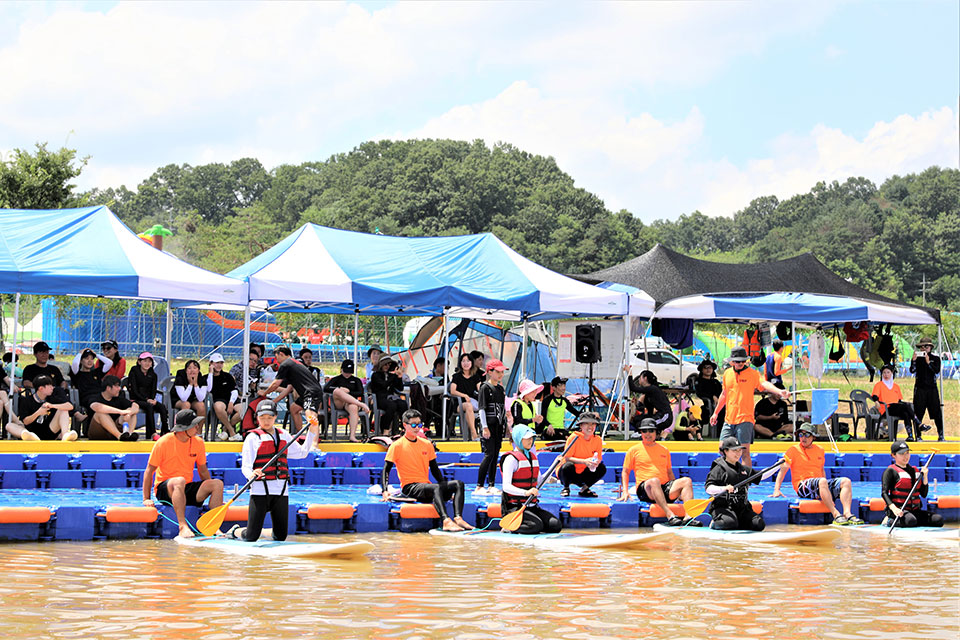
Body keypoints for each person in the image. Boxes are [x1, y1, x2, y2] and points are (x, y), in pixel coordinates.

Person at [238, 399, 319, 542]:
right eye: (262, 418)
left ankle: (266, 533)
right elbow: (246, 466)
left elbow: (302, 453)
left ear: (275, 417)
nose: (266, 421)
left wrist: (312, 431)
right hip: (260, 490)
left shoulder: (284, 435)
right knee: (251, 537)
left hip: (281, 490)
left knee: (281, 536)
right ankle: (236, 532)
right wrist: (251, 474)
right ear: (257, 418)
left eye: (270, 417)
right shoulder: (252, 438)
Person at [381, 409, 470, 532]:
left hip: (426, 487)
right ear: (405, 425)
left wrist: (445, 487)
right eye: (413, 425)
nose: (417, 428)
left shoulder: (427, 444)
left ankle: (458, 518)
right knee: (435, 488)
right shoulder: (397, 445)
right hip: (410, 487)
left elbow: (434, 469)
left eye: (419, 424)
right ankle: (446, 521)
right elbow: (386, 470)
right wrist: (384, 490)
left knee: (458, 484)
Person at [143, 409, 225, 538]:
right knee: (179, 481)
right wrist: (146, 498)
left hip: (184, 487)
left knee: (217, 484)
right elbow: (149, 471)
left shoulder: (198, 442)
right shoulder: (163, 442)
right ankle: (183, 526)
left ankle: (213, 526)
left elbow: (203, 470)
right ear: (184, 428)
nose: (198, 427)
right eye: (194, 425)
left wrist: (213, 495)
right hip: (165, 489)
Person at [772, 423, 864, 525]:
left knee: (846, 481)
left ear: (813, 437)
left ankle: (848, 513)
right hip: (802, 485)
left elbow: (821, 470)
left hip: (819, 484)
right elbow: (782, 471)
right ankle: (836, 514)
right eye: (801, 435)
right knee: (822, 481)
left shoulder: (819, 450)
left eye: (807, 435)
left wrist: (826, 491)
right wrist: (777, 490)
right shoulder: (793, 450)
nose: (803, 438)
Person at [616, 418, 701, 527]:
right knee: (654, 481)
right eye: (644, 431)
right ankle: (670, 515)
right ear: (641, 433)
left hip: (663, 487)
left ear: (656, 433)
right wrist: (625, 491)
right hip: (646, 489)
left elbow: (669, 472)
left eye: (651, 431)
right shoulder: (633, 450)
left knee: (686, 480)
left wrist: (678, 491)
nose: (648, 434)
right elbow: (625, 472)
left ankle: (688, 516)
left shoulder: (664, 450)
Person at [710, 346, 789, 460]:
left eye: (743, 360)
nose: (740, 363)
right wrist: (716, 413)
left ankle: (746, 476)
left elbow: (764, 384)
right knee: (722, 449)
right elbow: (724, 393)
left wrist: (779, 392)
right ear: (732, 361)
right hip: (729, 419)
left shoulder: (753, 374)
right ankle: (729, 474)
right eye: (737, 361)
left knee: (745, 453)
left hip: (745, 419)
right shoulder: (727, 373)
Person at [499, 425, 562, 535]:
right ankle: (509, 527)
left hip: (532, 506)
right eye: (527, 438)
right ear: (518, 439)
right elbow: (506, 486)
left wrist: (555, 465)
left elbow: (540, 481)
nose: (531, 441)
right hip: (516, 507)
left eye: (532, 438)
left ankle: (527, 522)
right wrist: (526, 492)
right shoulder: (510, 459)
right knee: (536, 526)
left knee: (555, 525)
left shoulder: (533, 457)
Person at [704, 437, 766, 531]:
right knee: (729, 524)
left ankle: (738, 522)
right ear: (726, 451)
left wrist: (779, 465)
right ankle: (716, 522)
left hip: (742, 508)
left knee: (758, 525)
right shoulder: (719, 468)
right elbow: (708, 488)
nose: (738, 453)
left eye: (739, 450)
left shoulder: (744, 469)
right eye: (734, 450)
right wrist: (723, 488)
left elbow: (762, 475)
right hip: (723, 507)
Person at [881, 440, 943, 528]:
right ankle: (889, 520)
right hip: (899, 510)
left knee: (938, 520)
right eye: (902, 454)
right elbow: (884, 493)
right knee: (910, 521)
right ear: (893, 455)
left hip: (914, 510)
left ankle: (913, 521)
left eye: (907, 453)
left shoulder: (914, 471)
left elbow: (924, 494)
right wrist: (894, 509)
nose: (905, 456)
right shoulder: (890, 471)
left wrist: (925, 476)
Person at [10, 375, 78, 441]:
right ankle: (30, 437)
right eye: (50, 386)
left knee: (63, 410)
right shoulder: (27, 401)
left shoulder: (52, 397)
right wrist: (38, 413)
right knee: (9, 425)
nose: (52, 387)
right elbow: (25, 422)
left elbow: (70, 406)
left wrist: (52, 405)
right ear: (41, 388)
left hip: (49, 432)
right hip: (32, 433)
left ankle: (65, 435)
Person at [871, 364, 929, 441]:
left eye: (888, 372)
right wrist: (876, 401)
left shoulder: (896, 386)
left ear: (892, 374)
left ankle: (910, 436)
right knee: (906, 406)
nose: (886, 375)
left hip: (896, 407)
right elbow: (875, 396)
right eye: (884, 373)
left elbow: (899, 400)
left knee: (906, 413)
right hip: (886, 408)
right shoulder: (879, 385)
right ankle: (919, 423)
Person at [475, 359, 507, 495]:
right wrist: (484, 427)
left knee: (495, 455)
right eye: (497, 372)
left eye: (502, 372)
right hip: (489, 426)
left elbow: (503, 409)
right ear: (489, 372)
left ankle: (491, 484)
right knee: (488, 455)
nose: (500, 375)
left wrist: (508, 429)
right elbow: (481, 408)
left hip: (499, 426)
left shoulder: (500, 389)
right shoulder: (484, 388)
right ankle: (479, 485)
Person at [557, 412, 606, 498]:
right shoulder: (573, 437)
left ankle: (585, 488)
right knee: (567, 466)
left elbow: (598, 458)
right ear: (581, 426)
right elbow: (567, 458)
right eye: (587, 424)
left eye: (592, 424)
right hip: (570, 472)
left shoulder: (597, 439)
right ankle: (566, 487)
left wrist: (594, 463)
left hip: (585, 472)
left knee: (601, 468)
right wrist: (584, 461)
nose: (590, 427)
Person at [323, 359, 370, 443]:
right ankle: (361, 404)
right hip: (340, 403)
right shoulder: (336, 379)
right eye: (346, 372)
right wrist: (341, 390)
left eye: (349, 372)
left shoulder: (356, 380)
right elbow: (326, 388)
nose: (347, 374)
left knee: (353, 407)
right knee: (337, 391)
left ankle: (352, 436)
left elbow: (360, 392)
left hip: (351, 403)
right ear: (341, 370)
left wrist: (348, 392)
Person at [127, 352, 169, 440]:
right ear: (139, 362)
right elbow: (133, 390)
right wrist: (146, 400)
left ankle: (165, 430)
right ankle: (153, 432)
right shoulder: (134, 371)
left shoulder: (153, 374)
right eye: (145, 361)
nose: (147, 363)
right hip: (136, 398)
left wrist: (152, 399)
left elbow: (153, 390)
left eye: (149, 361)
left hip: (148, 399)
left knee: (162, 407)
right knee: (149, 407)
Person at [910, 336, 944, 441]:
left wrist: (928, 362)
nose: (924, 349)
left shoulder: (935, 358)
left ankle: (941, 434)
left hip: (932, 388)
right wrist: (914, 360)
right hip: (920, 388)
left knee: (936, 412)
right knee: (918, 411)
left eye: (927, 346)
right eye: (922, 347)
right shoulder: (918, 359)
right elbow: (912, 370)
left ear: (930, 347)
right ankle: (918, 435)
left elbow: (936, 371)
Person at [89, 375, 140, 441]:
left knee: (131, 412)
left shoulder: (119, 399)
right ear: (108, 388)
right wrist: (120, 412)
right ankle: (119, 436)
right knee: (100, 414)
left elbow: (135, 405)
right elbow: (96, 407)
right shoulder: (95, 397)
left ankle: (129, 435)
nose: (119, 388)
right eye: (117, 386)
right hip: (98, 432)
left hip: (113, 432)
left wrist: (129, 413)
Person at [627, 369, 673, 437]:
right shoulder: (648, 393)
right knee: (637, 420)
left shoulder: (652, 388)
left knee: (646, 424)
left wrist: (629, 374)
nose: (639, 379)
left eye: (640, 377)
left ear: (645, 378)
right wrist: (637, 404)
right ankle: (655, 433)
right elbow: (649, 411)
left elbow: (633, 388)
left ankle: (657, 434)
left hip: (665, 416)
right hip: (657, 415)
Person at [369, 357, 408, 436]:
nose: (387, 366)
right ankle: (385, 429)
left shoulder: (390, 375)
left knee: (403, 404)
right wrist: (394, 376)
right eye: (385, 364)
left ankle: (406, 427)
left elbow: (400, 388)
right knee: (392, 405)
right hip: (379, 398)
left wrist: (399, 377)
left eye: (389, 365)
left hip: (390, 397)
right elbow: (384, 385)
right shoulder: (375, 375)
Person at [206, 353, 241, 441]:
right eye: (216, 363)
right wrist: (210, 373)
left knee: (243, 409)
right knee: (218, 407)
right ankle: (232, 432)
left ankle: (225, 429)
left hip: (231, 399)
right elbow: (209, 389)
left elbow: (234, 391)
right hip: (218, 400)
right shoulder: (206, 378)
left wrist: (231, 402)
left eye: (221, 363)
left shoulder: (227, 376)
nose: (219, 365)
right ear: (211, 363)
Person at [450, 353, 481, 440]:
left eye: (468, 361)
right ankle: (474, 433)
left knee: (472, 406)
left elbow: (481, 389)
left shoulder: (475, 376)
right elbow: (452, 391)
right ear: (460, 363)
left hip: (473, 403)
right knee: (468, 406)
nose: (466, 363)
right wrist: (464, 395)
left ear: (471, 363)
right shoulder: (456, 376)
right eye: (463, 361)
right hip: (459, 404)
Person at [694, 359, 723, 431]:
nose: (708, 369)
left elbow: (722, 392)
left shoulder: (716, 382)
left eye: (710, 367)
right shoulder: (699, 381)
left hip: (719, 404)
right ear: (702, 370)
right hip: (707, 404)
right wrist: (712, 397)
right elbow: (700, 393)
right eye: (705, 368)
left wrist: (717, 398)